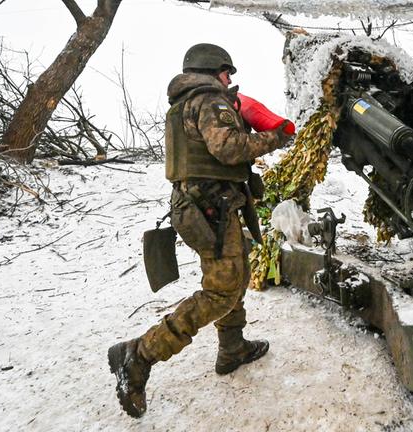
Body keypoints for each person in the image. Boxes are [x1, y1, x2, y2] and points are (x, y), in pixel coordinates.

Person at [108, 43, 293, 418]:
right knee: (221, 290)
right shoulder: (210, 100)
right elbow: (228, 148)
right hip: (211, 210)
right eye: (227, 72)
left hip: (206, 206)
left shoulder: (184, 103)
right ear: (212, 70)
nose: (230, 79)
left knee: (235, 276)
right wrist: (277, 137)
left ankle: (232, 348)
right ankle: (139, 354)